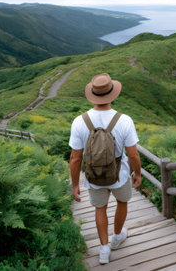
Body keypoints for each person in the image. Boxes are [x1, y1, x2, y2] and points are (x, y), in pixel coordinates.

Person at [68, 73, 142, 264]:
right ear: (113, 94)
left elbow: (75, 159)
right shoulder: (124, 120)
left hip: (93, 176)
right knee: (122, 202)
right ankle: (117, 237)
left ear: (92, 94)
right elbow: (133, 154)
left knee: (100, 208)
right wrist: (138, 173)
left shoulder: (79, 121)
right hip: (121, 174)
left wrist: (75, 184)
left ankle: (103, 249)